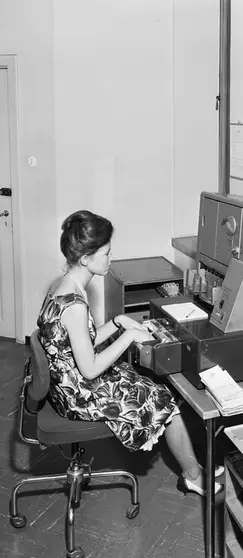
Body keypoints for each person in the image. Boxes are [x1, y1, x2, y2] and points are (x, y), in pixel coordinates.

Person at [37, 209, 222, 496]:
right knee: (163, 400)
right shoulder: (74, 305)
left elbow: (79, 341)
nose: (110, 258)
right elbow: (90, 369)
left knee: (148, 383)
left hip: (63, 384)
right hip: (77, 396)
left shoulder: (63, 286)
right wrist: (130, 336)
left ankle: (193, 465)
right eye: (106, 253)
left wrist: (117, 322)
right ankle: (193, 476)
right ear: (86, 259)